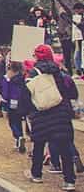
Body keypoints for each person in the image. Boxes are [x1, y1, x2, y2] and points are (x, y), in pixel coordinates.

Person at [22, 45, 77, 191]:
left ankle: (36, 174)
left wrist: (27, 111)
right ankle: (69, 180)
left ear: (37, 57)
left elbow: (27, 94)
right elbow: (67, 92)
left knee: (39, 146)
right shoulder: (59, 71)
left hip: (41, 113)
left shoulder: (33, 73)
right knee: (65, 147)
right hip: (60, 113)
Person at [0, 61, 27, 153]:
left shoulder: (7, 79)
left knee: (12, 122)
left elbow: (5, 93)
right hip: (21, 102)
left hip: (11, 102)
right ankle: (19, 139)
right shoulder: (22, 78)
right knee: (18, 120)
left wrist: (3, 106)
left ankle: (18, 136)